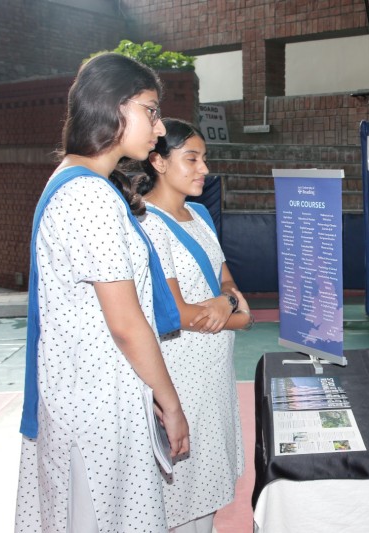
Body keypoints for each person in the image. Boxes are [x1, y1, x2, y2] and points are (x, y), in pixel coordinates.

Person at [16, 53, 190, 532]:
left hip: (88, 397)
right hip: (96, 405)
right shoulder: (89, 195)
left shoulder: (82, 183)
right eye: (151, 111)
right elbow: (127, 323)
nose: (159, 128)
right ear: (113, 105)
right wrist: (171, 404)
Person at [134, 118, 249, 532]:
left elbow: (229, 286)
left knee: (209, 489)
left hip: (215, 376)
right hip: (181, 378)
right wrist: (235, 312)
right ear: (158, 162)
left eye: (205, 159)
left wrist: (225, 302)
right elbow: (179, 313)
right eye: (192, 159)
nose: (204, 168)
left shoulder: (200, 215)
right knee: (181, 496)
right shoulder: (147, 223)